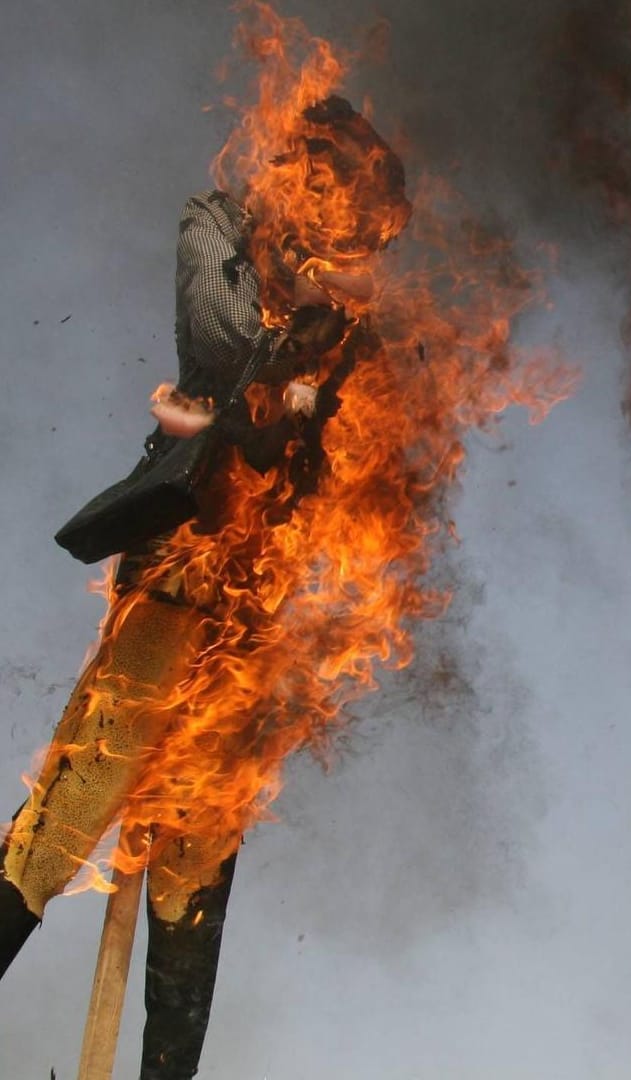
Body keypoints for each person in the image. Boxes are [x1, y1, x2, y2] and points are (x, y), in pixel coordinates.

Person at [0, 94, 409, 1079]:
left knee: (197, 846)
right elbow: (232, 355)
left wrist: (313, 378)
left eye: (350, 194)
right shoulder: (219, 227)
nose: (332, 206)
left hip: (254, 607)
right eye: (324, 177)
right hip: (181, 568)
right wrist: (290, 376)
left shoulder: (352, 326)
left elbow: (330, 442)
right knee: (70, 808)